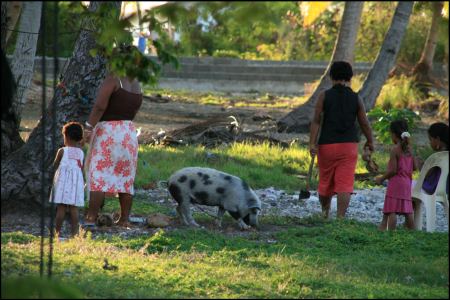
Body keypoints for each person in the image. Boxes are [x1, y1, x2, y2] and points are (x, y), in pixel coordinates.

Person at [83, 45, 143, 228]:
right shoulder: (136, 83)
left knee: (99, 174)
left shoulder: (113, 79)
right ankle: (124, 219)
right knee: (126, 178)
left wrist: (88, 127)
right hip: (128, 133)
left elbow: (100, 106)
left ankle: (91, 217)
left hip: (108, 133)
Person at [310, 61, 374, 219]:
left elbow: (316, 120)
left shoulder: (324, 96)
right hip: (349, 146)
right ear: (350, 77)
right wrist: (370, 141)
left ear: (331, 76)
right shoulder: (356, 98)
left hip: (327, 145)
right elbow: (364, 122)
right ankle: (340, 218)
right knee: (344, 184)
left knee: (325, 182)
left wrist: (312, 143)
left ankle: (325, 213)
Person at [375, 119, 419, 231]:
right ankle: (413, 231)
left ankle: (391, 232)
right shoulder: (410, 150)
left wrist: (382, 178)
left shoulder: (395, 150)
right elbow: (415, 167)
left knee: (392, 210)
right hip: (407, 183)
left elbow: (393, 171)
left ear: (394, 135)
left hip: (396, 183)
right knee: (408, 211)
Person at [50, 122, 85, 237]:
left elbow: (55, 165)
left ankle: (56, 233)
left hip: (62, 184)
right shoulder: (81, 153)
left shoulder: (62, 151)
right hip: (75, 184)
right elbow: (81, 168)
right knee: (74, 209)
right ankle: (74, 234)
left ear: (67, 136)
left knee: (61, 208)